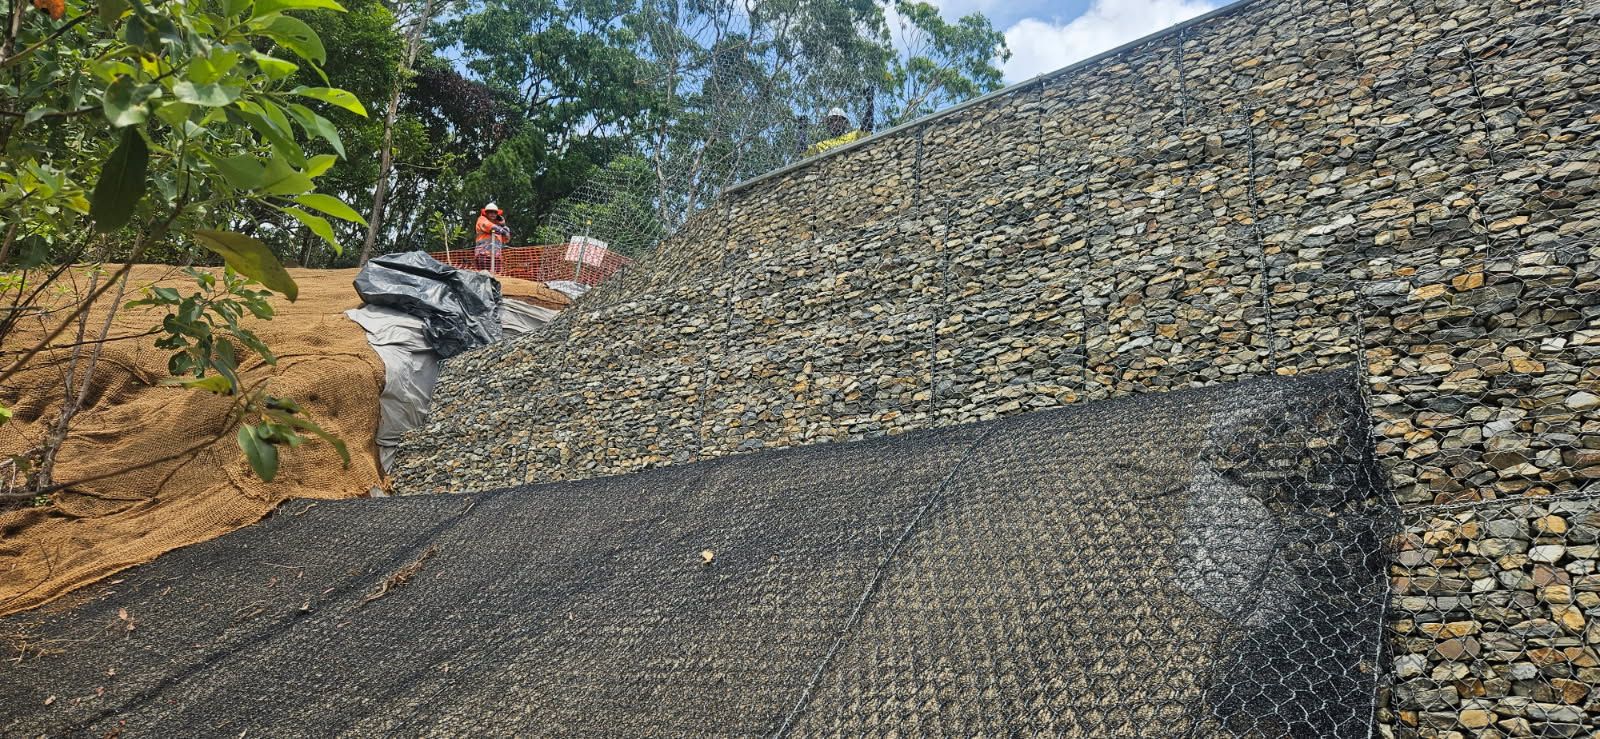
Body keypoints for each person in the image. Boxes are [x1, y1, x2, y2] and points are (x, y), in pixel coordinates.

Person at [474, 203, 510, 272]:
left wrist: (503, 225)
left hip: (496, 256)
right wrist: (502, 230)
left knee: (496, 277)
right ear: (486, 213)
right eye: (490, 212)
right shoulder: (481, 219)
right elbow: (490, 226)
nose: (493, 214)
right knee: (484, 276)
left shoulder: (499, 226)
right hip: (483, 254)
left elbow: (507, 238)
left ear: (497, 214)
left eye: (495, 212)